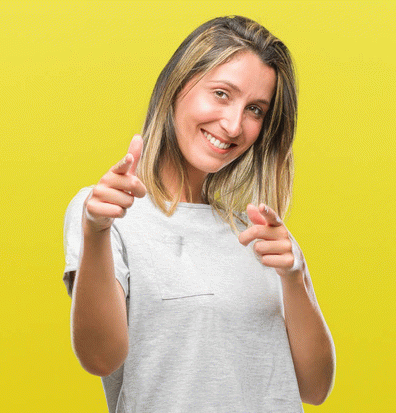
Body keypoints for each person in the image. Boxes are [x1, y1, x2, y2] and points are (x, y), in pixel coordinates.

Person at [62, 15, 335, 412]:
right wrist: (96, 230)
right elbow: (101, 358)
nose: (234, 125)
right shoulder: (107, 213)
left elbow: (315, 388)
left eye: (255, 109)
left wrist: (296, 277)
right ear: (177, 86)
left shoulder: (261, 235)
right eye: (222, 94)